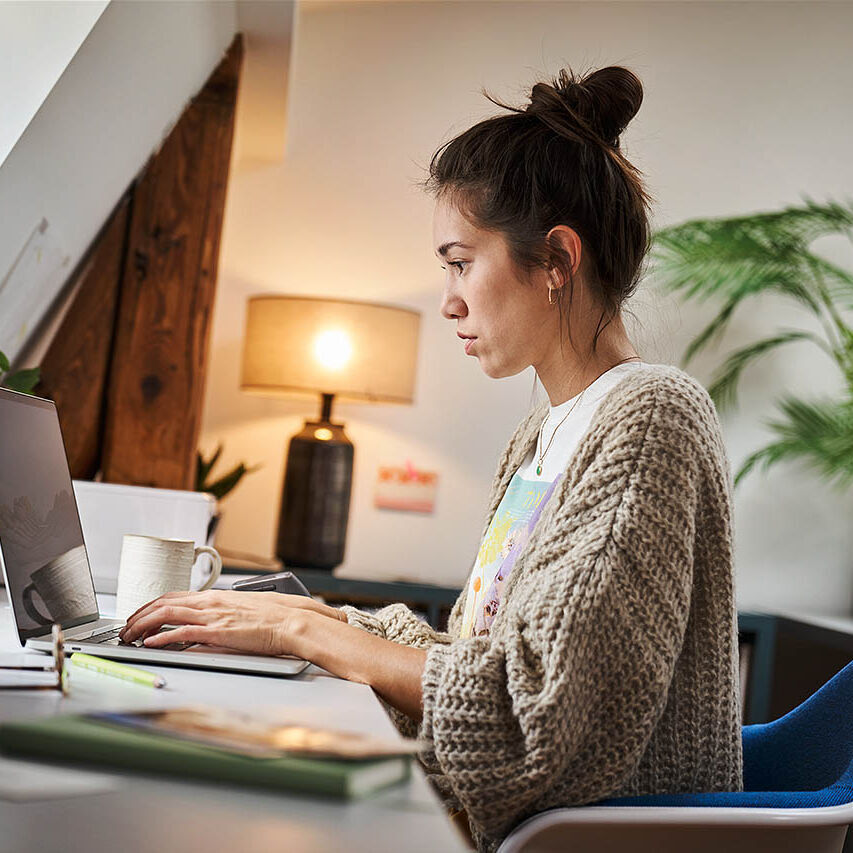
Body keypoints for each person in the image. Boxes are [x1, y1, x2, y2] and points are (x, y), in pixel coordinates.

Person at [120, 65, 744, 852]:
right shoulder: (545, 431)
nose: (447, 298)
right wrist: (309, 616)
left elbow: (531, 716)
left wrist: (308, 638)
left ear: (555, 259)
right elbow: (486, 664)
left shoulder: (651, 416)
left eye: (459, 262)